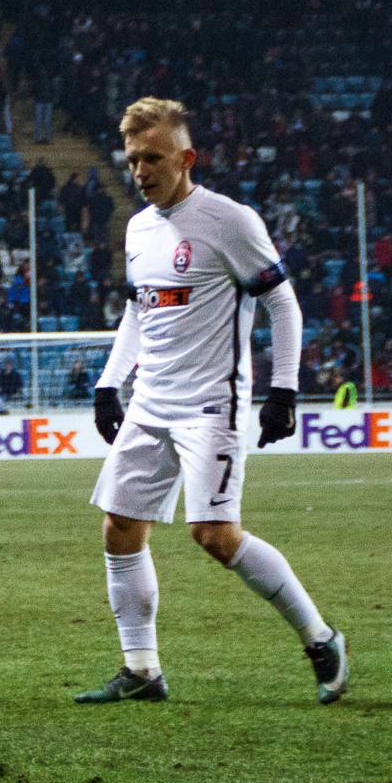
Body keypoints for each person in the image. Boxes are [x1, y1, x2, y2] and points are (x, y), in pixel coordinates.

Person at [82, 98, 348, 706]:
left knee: (214, 535)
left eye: (152, 158)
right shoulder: (138, 227)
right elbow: (137, 309)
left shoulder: (229, 221)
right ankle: (142, 671)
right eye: (131, 160)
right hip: (150, 402)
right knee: (120, 528)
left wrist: (284, 388)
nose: (140, 171)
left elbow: (283, 304)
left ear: (186, 158)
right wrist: (108, 381)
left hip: (210, 404)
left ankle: (320, 637)